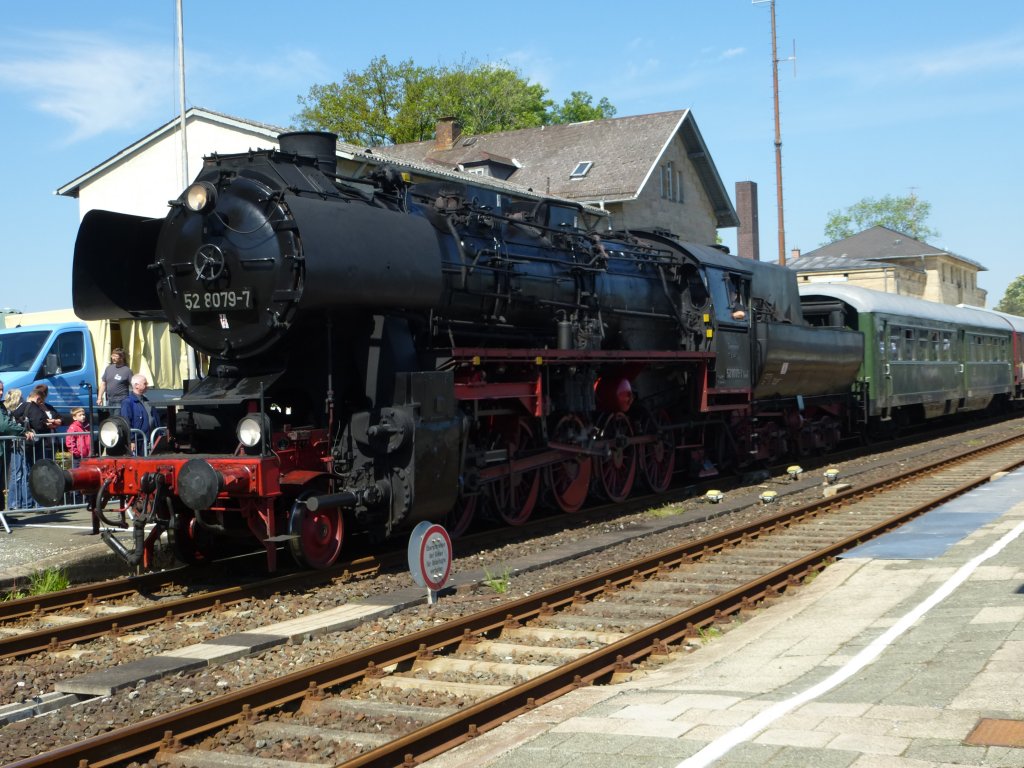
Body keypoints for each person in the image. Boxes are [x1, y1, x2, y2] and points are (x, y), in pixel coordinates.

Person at [1, 385, 35, 512]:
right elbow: (6, 426)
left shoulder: (8, 410)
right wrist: (23, 431)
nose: (22, 399)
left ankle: (23, 503)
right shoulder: (7, 411)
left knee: (23, 472)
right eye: (20, 397)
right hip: (13, 444)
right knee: (17, 474)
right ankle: (13, 503)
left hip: (16, 444)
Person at [120, 374, 161, 454]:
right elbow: (126, 423)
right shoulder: (127, 402)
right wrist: (131, 440)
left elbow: (155, 418)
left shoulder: (147, 400)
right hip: (138, 442)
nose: (147, 385)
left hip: (150, 440)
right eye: (145, 383)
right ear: (136, 385)